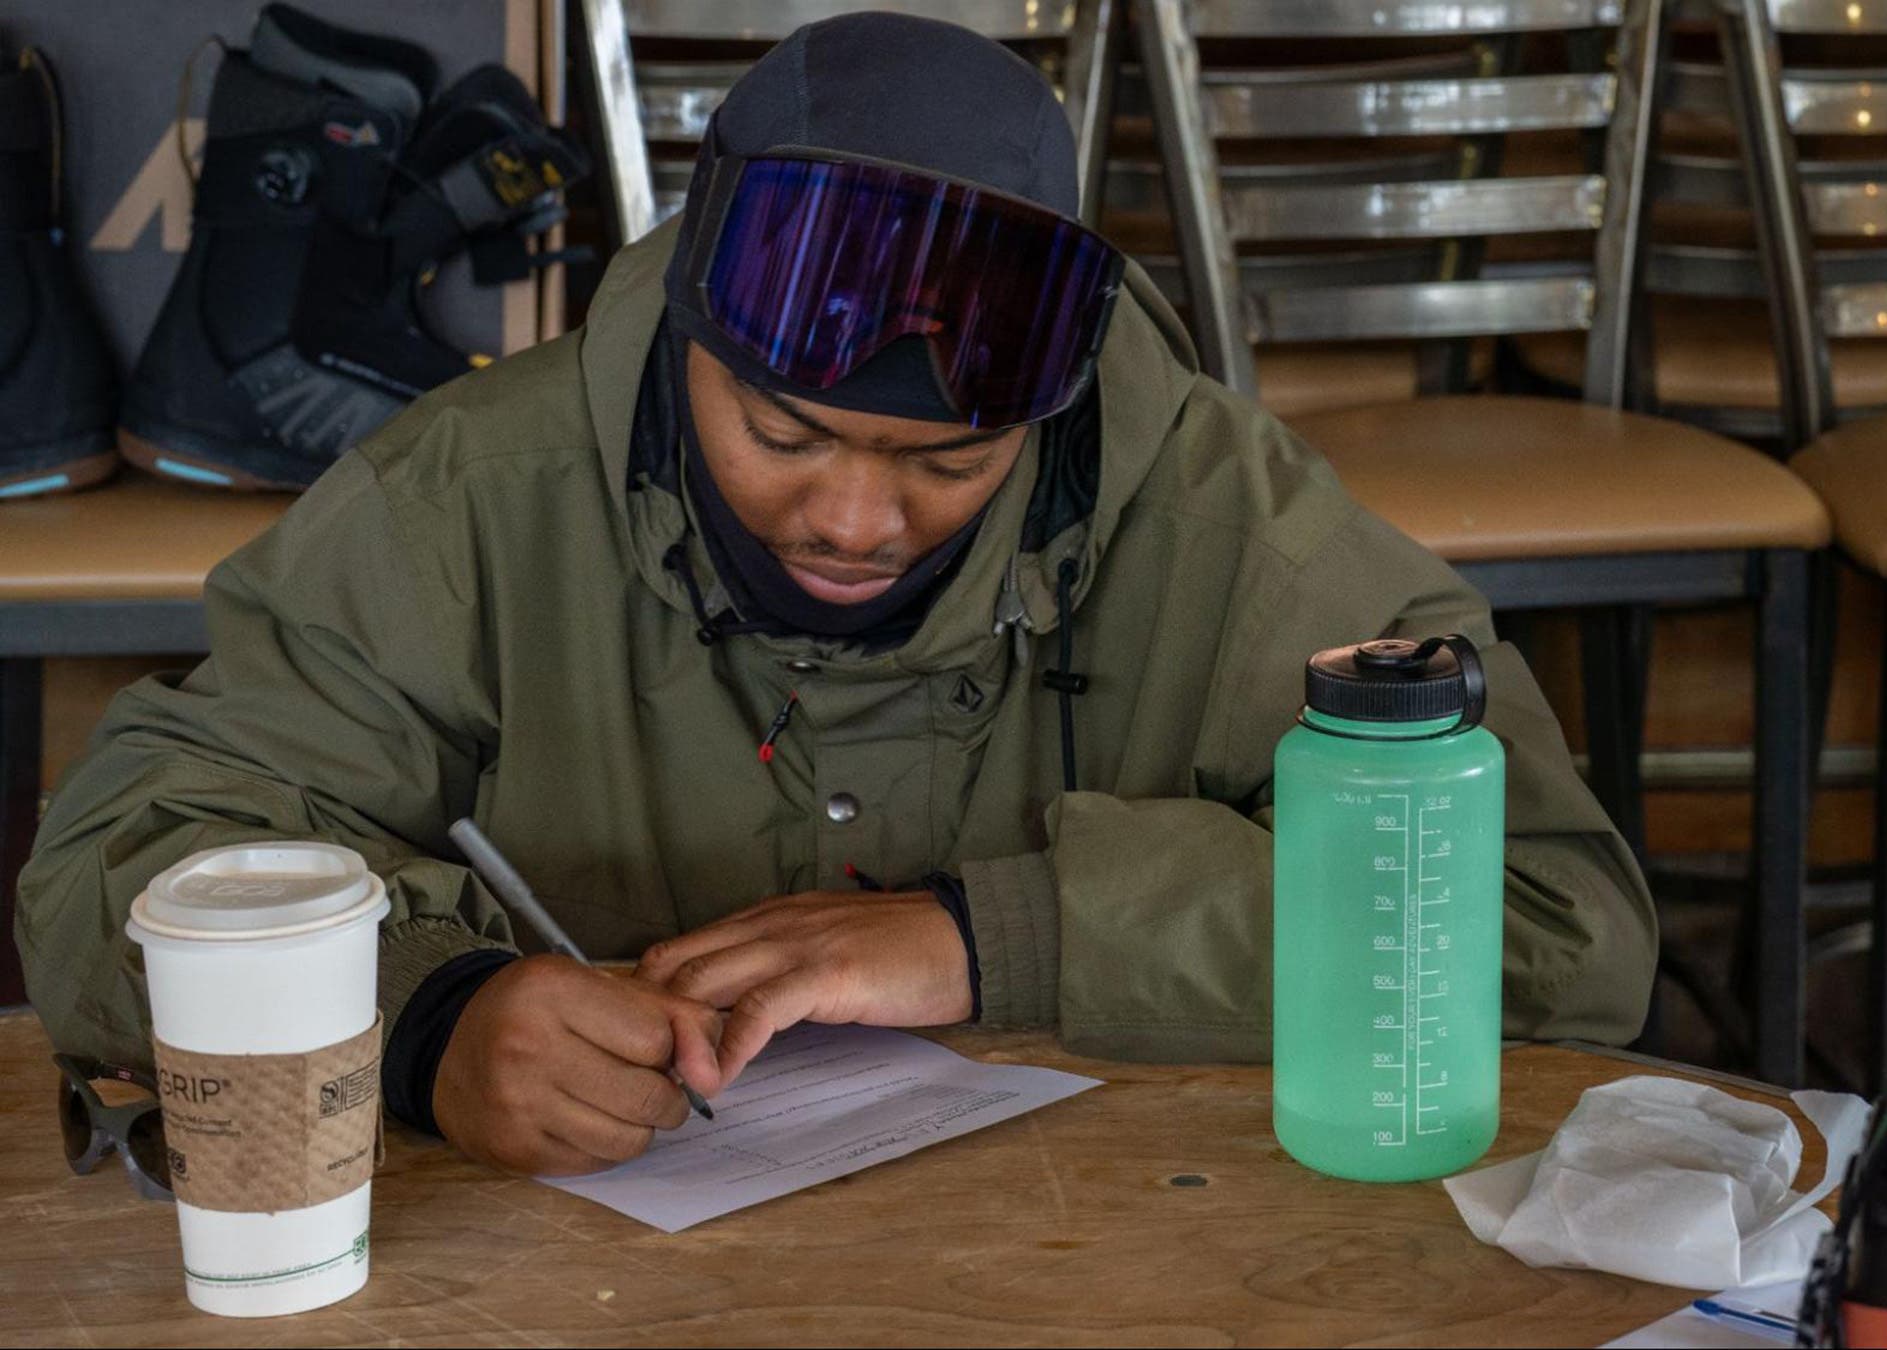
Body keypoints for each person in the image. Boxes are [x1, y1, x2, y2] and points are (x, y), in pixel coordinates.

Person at [15, 14, 1656, 1177]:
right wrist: (427, 1020)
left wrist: (994, 935)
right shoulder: (472, 502)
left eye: (950, 459)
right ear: (687, 348)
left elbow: (1557, 926)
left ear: (1049, 405)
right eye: (783, 430)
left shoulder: (1212, 507)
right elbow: (121, 864)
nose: (856, 516)